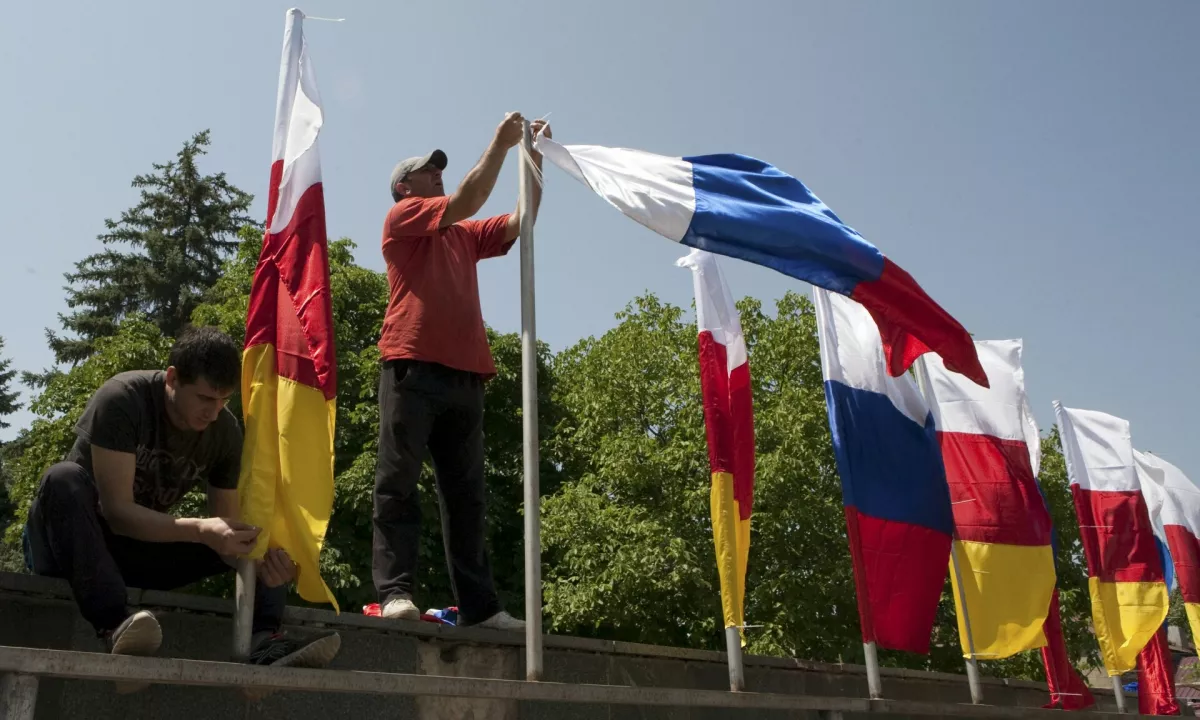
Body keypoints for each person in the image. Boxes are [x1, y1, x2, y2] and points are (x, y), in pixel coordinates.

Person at [23, 327, 340, 674]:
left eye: (223, 400)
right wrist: (203, 529)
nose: (214, 412)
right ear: (173, 378)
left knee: (252, 532)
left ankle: (264, 638)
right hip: (71, 544)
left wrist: (263, 563)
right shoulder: (123, 399)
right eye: (205, 399)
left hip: (133, 553)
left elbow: (228, 536)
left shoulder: (224, 433)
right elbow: (116, 513)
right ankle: (115, 626)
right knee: (62, 477)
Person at [374, 112, 548, 629]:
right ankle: (395, 593)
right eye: (428, 171)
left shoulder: (463, 235)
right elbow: (469, 198)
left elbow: (521, 220)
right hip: (412, 363)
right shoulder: (403, 218)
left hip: (466, 373)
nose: (437, 175)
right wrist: (499, 142)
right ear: (405, 188)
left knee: (468, 496)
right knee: (398, 482)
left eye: (439, 170)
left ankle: (480, 608)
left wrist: (532, 159)